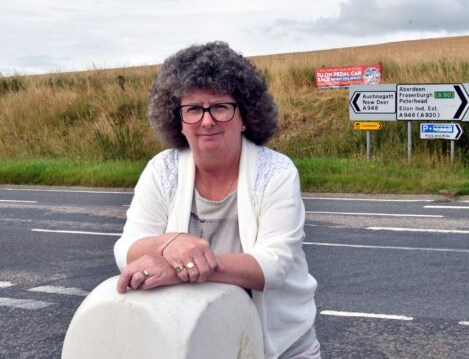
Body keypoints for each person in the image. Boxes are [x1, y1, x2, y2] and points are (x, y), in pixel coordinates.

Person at [113, 41, 320, 359]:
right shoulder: (162, 169)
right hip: (199, 342)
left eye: (220, 107)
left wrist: (184, 268)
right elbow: (127, 249)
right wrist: (168, 244)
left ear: (246, 115)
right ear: (179, 120)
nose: (206, 121)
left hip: (283, 345)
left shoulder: (276, 171)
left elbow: (272, 265)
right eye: (193, 109)